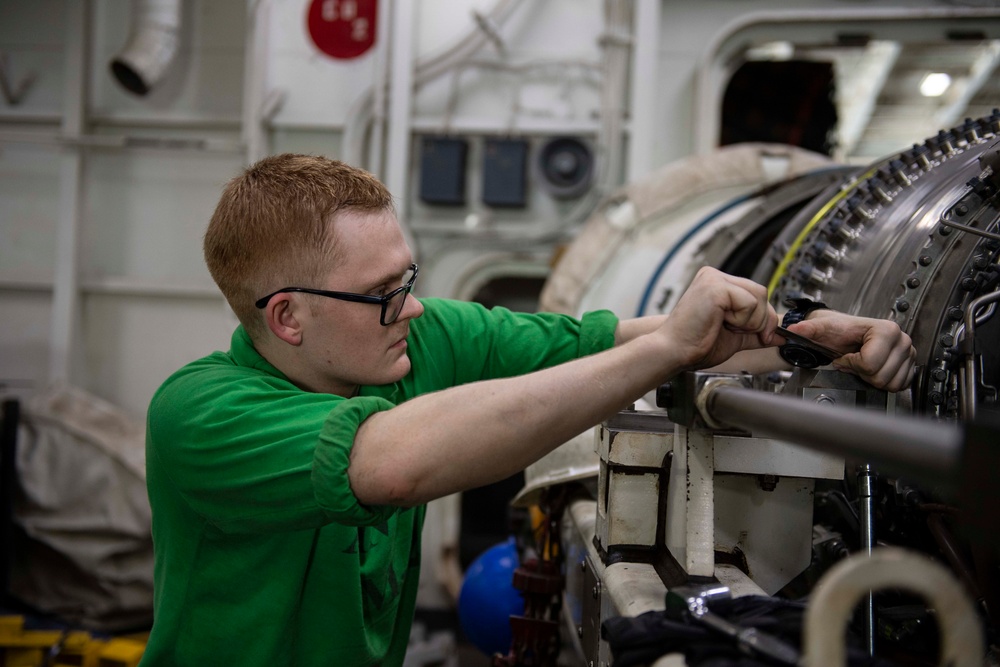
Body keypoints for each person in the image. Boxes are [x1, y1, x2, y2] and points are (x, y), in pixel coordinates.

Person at [142, 154, 915, 666]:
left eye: (406, 278)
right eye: (384, 294)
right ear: (287, 318)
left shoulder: (413, 341)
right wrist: (665, 348)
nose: (410, 308)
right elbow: (392, 463)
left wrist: (812, 341)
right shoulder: (200, 416)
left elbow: (601, 341)